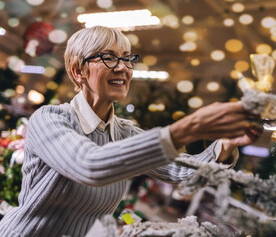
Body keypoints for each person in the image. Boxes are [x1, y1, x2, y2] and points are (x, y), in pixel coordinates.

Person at [0, 26, 262, 237]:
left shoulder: (123, 132)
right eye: (109, 57)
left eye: (127, 58)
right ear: (78, 70)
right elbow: (88, 165)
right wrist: (189, 128)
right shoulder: (49, 119)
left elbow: (182, 173)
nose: (123, 67)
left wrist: (225, 145)